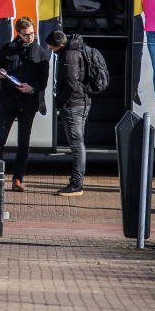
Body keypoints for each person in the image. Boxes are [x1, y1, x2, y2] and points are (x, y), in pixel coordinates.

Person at [0, 17, 49, 193]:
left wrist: (32, 88)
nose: (30, 37)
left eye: (32, 33)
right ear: (18, 33)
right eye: (26, 34)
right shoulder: (8, 48)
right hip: (7, 101)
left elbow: (43, 82)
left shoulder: (41, 53)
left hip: (28, 104)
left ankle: (17, 179)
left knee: (23, 143)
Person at [46, 30, 89, 196]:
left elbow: (71, 85)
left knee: (77, 144)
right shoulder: (73, 51)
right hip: (80, 102)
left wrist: (60, 102)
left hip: (73, 105)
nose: (49, 49)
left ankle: (77, 183)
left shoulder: (68, 56)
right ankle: (77, 182)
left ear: (61, 45)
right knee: (78, 143)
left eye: (51, 46)